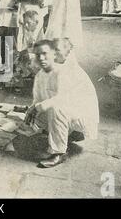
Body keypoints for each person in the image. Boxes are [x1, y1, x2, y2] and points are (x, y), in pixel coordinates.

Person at [25, 40, 99, 168]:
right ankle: (65, 135)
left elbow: (61, 99)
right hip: (67, 112)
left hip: (82, 115)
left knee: (56, 108)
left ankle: (59, 152)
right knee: (32, 115)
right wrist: (32, 109)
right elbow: (38, 99)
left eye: (57, 50)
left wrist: (38, 107)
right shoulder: (41, 74)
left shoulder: (67, 71)